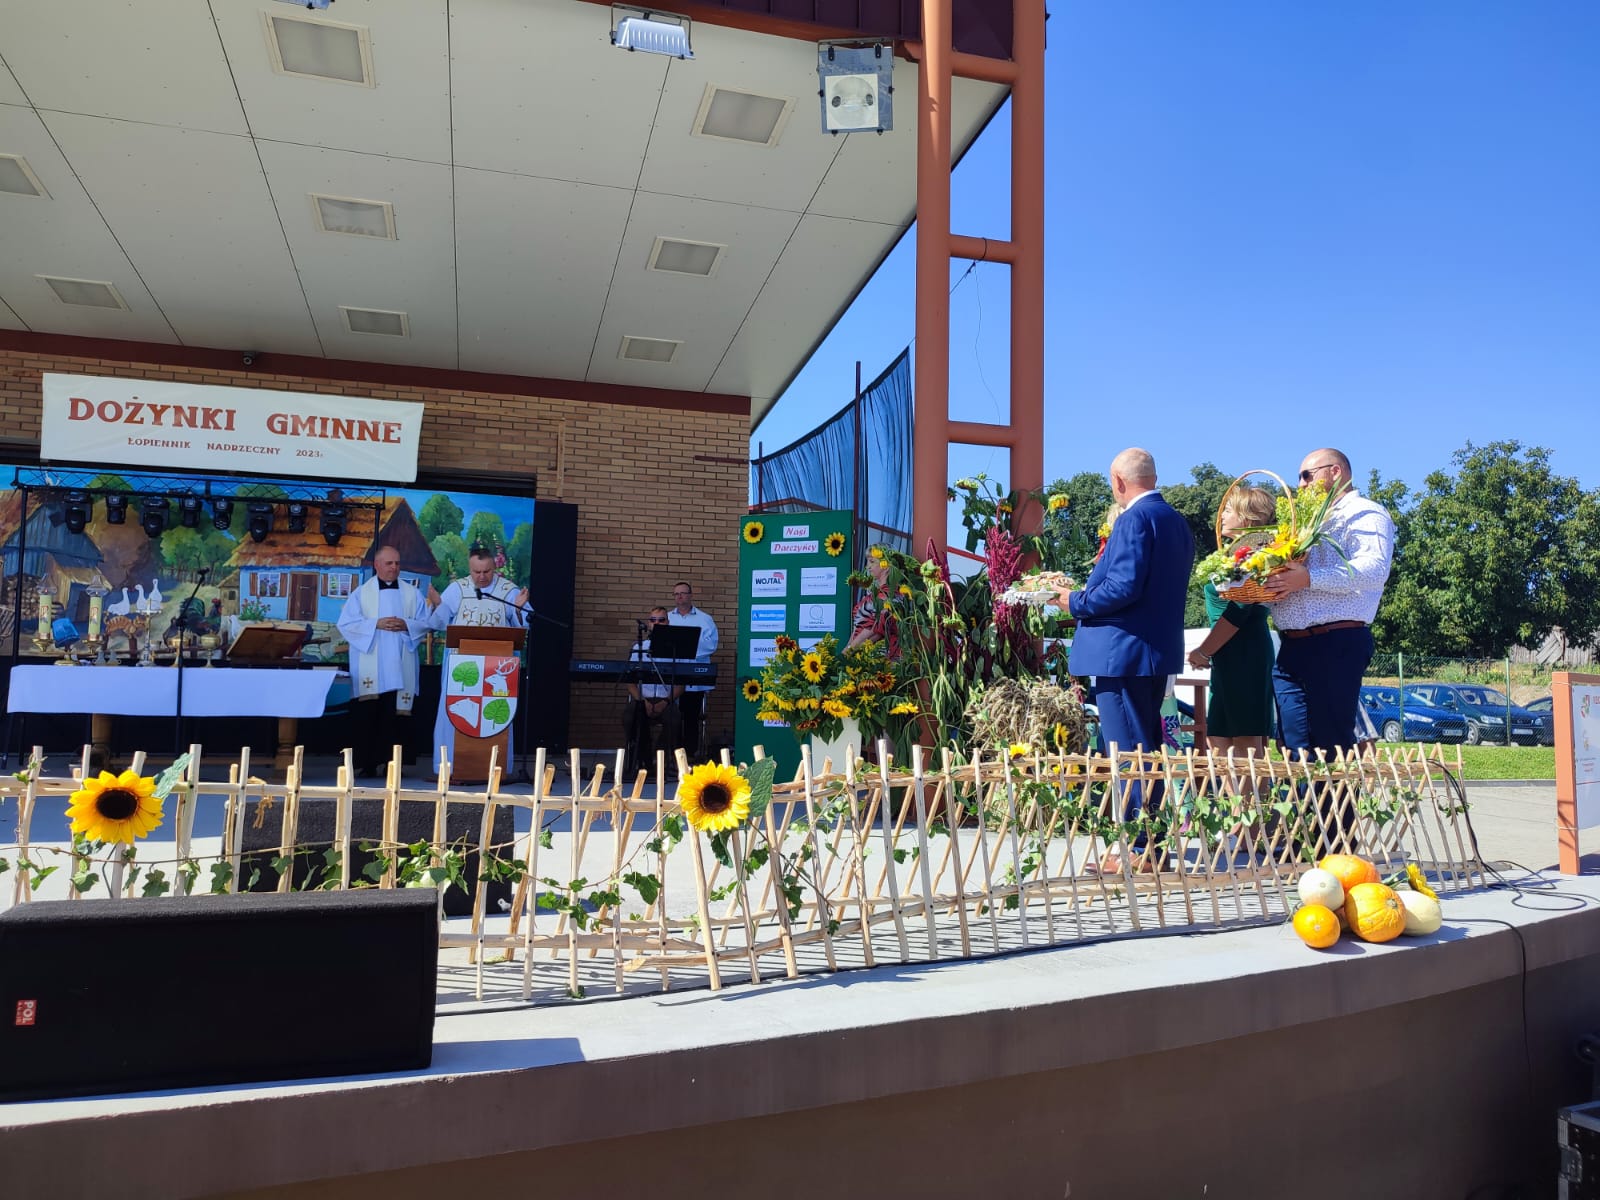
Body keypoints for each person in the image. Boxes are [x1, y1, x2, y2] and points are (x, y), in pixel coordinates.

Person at [1053, 448, 1194, 872]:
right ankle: (1151, 845)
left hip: (1122, 654)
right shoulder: (1176, 521)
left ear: (1118, 481)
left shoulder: (1134, 519)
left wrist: (1073, 601)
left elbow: (1124, 587)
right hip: (1152, 651)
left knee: (1129, 750)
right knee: (1146, 746)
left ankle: (1139, 847)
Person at [1262, 448, 1396, 760]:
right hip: (1292, 646)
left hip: (1335, 640)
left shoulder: (1364, 512)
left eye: (1307, 475)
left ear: (1335, 472)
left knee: (1330, 744)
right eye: (1299, 477)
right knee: (1292, 745)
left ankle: (1335, 796)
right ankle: (1306, 794)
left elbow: (1375, 569)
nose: (1301, 484)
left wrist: (1308, 578)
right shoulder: (1305, 521)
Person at [1186, 485, 1277, 756]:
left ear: (1246, 518)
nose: (1221, 516)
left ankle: (1255, 788)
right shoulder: (1235, 554)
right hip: (1228, 654)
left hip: (1244, 652)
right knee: (1219, 737)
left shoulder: (1255, 555)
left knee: (1245, 741)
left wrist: (1204, 651)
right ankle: (1231, 787)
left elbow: (1239, 609)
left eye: (1228, 510)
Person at [427, 545, 529, 775]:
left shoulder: (508, 591)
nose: (482, 577)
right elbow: (438, 624)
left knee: (494, 713)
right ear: (469, 568)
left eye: (486, 572)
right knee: (455, 712)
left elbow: (523, 626)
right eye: (476, 572)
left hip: (495, 670)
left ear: (494, 568)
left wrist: (519, 610)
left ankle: (494, 767)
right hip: (462, 669)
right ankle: (450, 765)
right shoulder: (457, 589)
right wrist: (438, 604)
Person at [337, 544, 430, 778]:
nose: (394, 567)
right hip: (372, 665)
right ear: (377, 565)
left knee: (395, 715)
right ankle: (368, 764)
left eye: (397, 563)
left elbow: (424, 623)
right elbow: (346, 624)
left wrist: (406, 625)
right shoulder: (361, 594)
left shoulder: (412, 594)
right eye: (389, 563)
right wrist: (375, 624)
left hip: (400, 663)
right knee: (370, 714)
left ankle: (394, 765)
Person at [624, 606, 684, 775]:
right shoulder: (639, 648)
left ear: (668, 623)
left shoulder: (676, 649)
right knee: (629, 716)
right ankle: (641, 758)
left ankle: (659, 755)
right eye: (653, 620)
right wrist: (642, 701)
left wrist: (665, 702)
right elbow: (630, 682)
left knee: (674, 719)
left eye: (661, 620)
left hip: (666, 700)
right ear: (648, 624)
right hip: (642, 699)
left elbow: (681, 685)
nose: (656, 623)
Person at [667, 581, 719, 761]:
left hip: (694, 677)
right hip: (671, 677)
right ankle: (672, 754)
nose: (679, 596)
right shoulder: (667, 618)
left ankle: (689, 755)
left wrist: (685, 648)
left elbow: (710, 646)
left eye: (683, 593)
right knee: (671, 716)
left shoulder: (704, 619)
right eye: (676, 594)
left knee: (691, 717)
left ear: (690, 595)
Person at [845, 546, 900, 657]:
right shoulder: (873, 593)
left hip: (880, 656)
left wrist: (849, 651)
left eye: (872, 562)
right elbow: (858, 626)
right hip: (862, 653)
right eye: (867, 562)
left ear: (886, 566)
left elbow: (876, 629)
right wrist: (848, 649)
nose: (868, 566)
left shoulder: (891, 593)